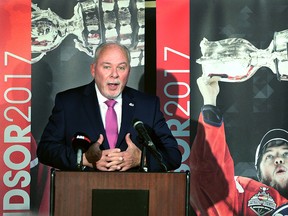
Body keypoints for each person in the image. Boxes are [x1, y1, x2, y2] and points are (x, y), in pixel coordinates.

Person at [37, 42, 182, 172]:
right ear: (93, 70)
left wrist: (141, 159)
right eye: (107, 67)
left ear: (128, 71)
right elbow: (46, 150)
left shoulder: (147, 105)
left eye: (121, 67)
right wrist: (84, 159)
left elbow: (173, 156)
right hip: (81, 195)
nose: (114, 74)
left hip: (135, 195)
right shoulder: (69, 102)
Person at [189, 76, 288, 215]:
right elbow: (210, 174)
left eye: (286, 153)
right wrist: (210, 102)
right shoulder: (244, 191)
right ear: (258, 170)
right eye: (270, 156)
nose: (279, 160)